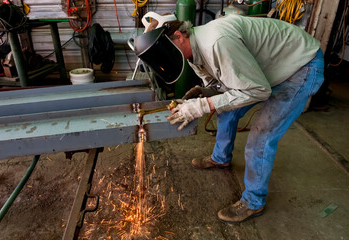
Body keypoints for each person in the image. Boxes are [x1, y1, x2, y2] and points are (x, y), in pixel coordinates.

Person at [134, 14, 324, 223]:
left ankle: (253, 202)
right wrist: (206, 92)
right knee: (227, 110)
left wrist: (204, 106)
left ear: (178, 36)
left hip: (300, 66)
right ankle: (221, 158)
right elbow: (223, 84)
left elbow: (258, 90)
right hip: (268, 67)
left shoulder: (217, 43)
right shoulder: (192, 53)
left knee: (261, 135)